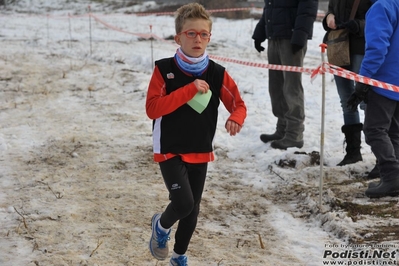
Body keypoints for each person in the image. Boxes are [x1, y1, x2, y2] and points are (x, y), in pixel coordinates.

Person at [145, 3, 247, 265]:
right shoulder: (164, 70)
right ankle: (161, 226)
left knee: (192, 211)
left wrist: (236, 117)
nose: (198, 39)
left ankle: (179, 256)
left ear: (209, 37)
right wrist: (189, 90)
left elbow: (238, 104)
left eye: (203, 34)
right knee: (183, 203)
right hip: (169, 147)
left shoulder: (216, 73)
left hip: (200, 148)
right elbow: (153, 108)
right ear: (178, 38)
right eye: (191, 33)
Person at [347, 0, 399, 198]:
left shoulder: (382, 6)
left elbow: (377, 47)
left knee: (374, 129)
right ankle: (393, 177)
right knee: (393, 130)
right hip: (396, 81)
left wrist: (364, 79)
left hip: (384, 80)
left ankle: (392, 174)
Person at [251, 0, 318, 150]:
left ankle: (294, 134)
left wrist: (300, 35)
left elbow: (308, 8)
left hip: (291, 38)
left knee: (291, 87)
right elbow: (270, 7)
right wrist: (260, 32)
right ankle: (282, 128)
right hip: (274, 36)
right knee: (276, 87)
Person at [322, 0, 374, 169]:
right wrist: (329, 18)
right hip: (339, 47)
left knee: (367, 101)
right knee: (346, 100)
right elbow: (331, 10)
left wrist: (358, 25)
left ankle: (382, 156)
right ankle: (353, 152)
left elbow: (381, 21)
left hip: (362, 48)